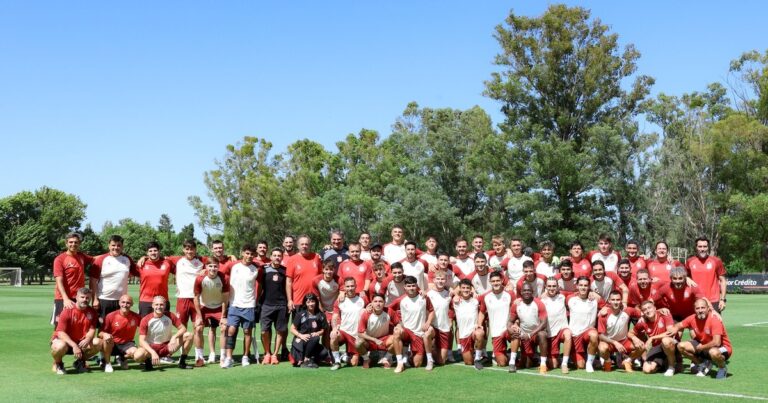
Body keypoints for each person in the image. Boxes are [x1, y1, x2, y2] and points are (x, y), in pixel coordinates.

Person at [672, 298, 732, 379]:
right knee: (680, 346)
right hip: (704, 346)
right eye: (697, 308)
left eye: (703, 308)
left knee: (713, 352)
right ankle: (702, 364)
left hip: (722, 348)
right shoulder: (692, 318)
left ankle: (722, 368)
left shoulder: (714, 320)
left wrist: (701, 347)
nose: (700, 310)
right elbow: (678, 325)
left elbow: (717, 342)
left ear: (708, 308)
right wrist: (673, 331)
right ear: (694, 310)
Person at [221, 244, 260, 368]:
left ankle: (245, 356)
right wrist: (204, 270)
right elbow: (217, 268)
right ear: (242, 253)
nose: (249, 256)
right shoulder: (233, 265)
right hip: (234, 304)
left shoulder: (256, 268)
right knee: (231, 330)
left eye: (252, 254)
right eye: (247, 253)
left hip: (249, 305)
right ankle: (229, 358)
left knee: (247, 331)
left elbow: (266, 264)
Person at [389, 275, 436, 373]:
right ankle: (400, 362)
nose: (411, 288)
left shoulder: (424, 297)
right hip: (406, 331)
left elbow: (432, 311)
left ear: (417, 286)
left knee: (417, 364)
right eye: (409, 286)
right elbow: (388, 309)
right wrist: (398, 323)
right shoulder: (400, 300)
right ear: (404, 287)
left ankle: (409, 355)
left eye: (413, 286)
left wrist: (428, 322)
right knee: (397, 332)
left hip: (419, 333)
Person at [50, 287, 102, 375]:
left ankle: (80, 362)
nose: (85, 300)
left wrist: (88, 338)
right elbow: (60, 333)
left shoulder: (92, 312)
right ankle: (59, 363)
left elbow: (92, 329)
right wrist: (74, 345)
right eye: (82, 297)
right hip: (65, 342)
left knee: (98, 342)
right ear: (76, 297)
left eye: (87, 298)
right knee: (59, 346)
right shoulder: (67, 311)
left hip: (80, 342)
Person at [134, 296, 193, 371]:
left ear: (165, 305)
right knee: (137, 356)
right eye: (157, 304)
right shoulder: (145, 320)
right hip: (151, 347)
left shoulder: (170, 315)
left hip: (167, 346)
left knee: (189, 335)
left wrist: (174, 337)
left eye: (161, 304)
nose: (159, 307)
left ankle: (182, 362)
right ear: (153, 305)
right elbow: (141, 341)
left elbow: (183, 328)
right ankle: (148, 361)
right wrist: (152, 352)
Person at [89, 235, 139, 324]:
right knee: (103, 327)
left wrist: (145, 258)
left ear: (122, 246)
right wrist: (95, 299)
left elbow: (138, 272)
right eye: (113, 245)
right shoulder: (101, 260)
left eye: (119, 245)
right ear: (109, 246)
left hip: (121, 301)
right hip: (104, 300)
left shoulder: (127, 259)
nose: (116, 247)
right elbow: (92, 281)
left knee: (119, 327)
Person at [52, 232, 94, 326]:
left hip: (79, 298)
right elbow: (59, 281)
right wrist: (65, 299)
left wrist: (110, 254)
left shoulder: (81, 256)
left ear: (79, 243)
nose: (73, 244)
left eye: (76, 242)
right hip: (63, 299)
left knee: (76, 325)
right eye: (71, 242)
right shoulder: (60, 259)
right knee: (60, 327)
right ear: (66, 243)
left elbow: (95, 259)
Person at [192, 260, 229, 366]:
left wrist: (223, 316)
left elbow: (225, 299)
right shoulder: (200, 278)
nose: (213, 268)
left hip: (218, 307)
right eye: (210, 266)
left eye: (215, 266)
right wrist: (199, 315)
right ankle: (199, 358)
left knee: (224, 327)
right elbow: (196, 298)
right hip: (204, 306)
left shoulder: (224, 278)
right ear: (206, 267)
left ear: (218, 267)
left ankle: (223, 357)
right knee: (198, 327)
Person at [596, 291, 643, 372]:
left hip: (624, 341)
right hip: (610, 342)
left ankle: (627, 361)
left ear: (621, 300)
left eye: (618, 299)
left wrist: (660, 311)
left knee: (642, 347)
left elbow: (644, 313)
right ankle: (608, 361)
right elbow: (600, 336)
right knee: (602, 348)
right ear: (609, 301)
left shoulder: (627, 310)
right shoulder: (604, 314)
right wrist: (614, 342)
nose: (615, 302)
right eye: (613, 300)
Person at [166, 240, 208, 330]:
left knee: (198, 328)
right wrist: (145, 257)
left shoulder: (202, 260)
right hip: (182, 298)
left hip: (197, 299)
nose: (189, 251)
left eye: (192, 249)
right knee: (182, 328)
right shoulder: (176, 260)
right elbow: (158, 258)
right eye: (187, 249)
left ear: (195, 250)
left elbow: (217, 261)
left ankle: (198, 345)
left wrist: (206, 270)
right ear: (183, 250)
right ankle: (182, 344)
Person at [627, 300, 677, 376]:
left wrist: (652, 338)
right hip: (657, 347)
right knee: (646, 370)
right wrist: (635, 339)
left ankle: (671, 367)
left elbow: (670, 333)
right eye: (644, 310)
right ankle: (664, 363)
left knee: (665, 341)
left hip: (671, 344)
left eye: (649, 308)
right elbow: (630, 333)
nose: (647, 311)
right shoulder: (642, 321)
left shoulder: (664, 314)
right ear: (643, 312)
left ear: (655, 308)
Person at [477, 271, 515, 368]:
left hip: (508, 329)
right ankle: (506, 354)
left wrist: (516, 323)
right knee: (501, 363)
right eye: (493, 281)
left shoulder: (510, 294)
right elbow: (481, 312)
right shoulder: (486, 297)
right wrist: (479, 324)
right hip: (496, 332)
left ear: (502, 280)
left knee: (517, 334)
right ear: (490, 282)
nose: (496, 283)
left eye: (498, 280)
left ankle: (513, 360)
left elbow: (516, 310)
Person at [508, 283, 549, 373]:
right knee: (526, 364)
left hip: (535, 334)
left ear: (532, 292)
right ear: (521, 292)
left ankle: (543, 364)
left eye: (529, 290)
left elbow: (544, 323)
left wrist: (530, 335)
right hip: (523, 334)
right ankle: (512, 362)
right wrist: (510, 329)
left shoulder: (539, 303)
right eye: (524, 290)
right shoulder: (516, 304)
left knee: (542, 334)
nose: (527, 292)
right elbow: (510, 321)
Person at [330, 278, 369, 370]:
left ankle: (346, 356)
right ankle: (337, 361)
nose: (350, 288)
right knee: (333, 336)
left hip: (357, 335)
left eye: (352, 286)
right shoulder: (340, 300)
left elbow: (369, 311)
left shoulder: (363, 298)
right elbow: (335, 316)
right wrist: (334, 328)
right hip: (344, 332)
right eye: (348, 286)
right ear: (344, 287)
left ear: (356, 286)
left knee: (354, 363)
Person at [259, 248, 289, 365]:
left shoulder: (285, 271)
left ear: (282, 257)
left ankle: (275, 354)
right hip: (266, 304)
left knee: (280, 331)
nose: (277, 257)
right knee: (264, 331)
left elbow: (288, 286)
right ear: (270, 257)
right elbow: (260, 286)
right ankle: (267, 353)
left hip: (282, 305)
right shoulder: (264, 270)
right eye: (274, 255)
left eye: (279, 255)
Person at [685, 237, 727, 313]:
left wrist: (723, 299)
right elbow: (684, 277)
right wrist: (686, 278)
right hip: (696, 300)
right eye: (700, 246)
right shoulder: (689, 261)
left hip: (713, 300)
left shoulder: (716, 261)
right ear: (696, 247)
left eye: (705, 246)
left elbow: (722, 280)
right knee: (694, 324)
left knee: (714, 324)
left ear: (708, 248)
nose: (702, 249)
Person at [101, 294, 141, 372]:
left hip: (127, 344)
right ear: (119, 303)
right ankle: (107, 363)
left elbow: (144, 327)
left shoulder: (136, 316)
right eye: (123, 302)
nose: (125, 305)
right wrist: (105, 334)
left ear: (132, 304)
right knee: (107, 339)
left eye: (128, 303)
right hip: (112, 343)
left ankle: (122, 357)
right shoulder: (111, 316)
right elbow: (100, 333)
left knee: (137, 354)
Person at [567, 276, 599, 372]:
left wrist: (605, 308)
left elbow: (609, 303)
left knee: (594, 335)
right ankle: (573, 357)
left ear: (589, 287)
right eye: (581, 285)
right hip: (575, 336)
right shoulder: (570, 299)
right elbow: (556, 293)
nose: (583, 287)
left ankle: (590, 363)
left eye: (585, 285)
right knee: (580, 366)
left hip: (587, 333)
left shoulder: (594, 300)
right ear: (577, 286)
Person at [540, 277, 572, 373]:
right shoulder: (541, 300)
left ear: (558, 287)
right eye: (549, 286)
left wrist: (591, 292)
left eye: (554, 286)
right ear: (545, 287)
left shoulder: (563, 296)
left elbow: (578, 293)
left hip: (562, 330)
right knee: (553, 364)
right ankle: (554, 359)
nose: (551, 288)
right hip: (550, 333)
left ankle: (565, 364)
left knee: (568, 334)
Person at [356, 293, 396, 368]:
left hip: (384, 339)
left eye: (380, 301)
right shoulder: (366, 314)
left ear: (384, 303)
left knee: (397, 338)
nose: (378, 304)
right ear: (371, 303)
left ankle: (386, 358)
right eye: (375, 301)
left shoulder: (389, 311)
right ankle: (366, 359)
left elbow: (398, 323)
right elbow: (360, 333)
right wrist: (374, 340)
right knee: (358, 342)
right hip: (370, 341)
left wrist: (398, 327)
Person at [453, 279, 485, 369]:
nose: (466, 290)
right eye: (463, 288)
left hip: (473, 331)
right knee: (468, 362)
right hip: (463, 335)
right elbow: (450, 292)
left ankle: (478, 358)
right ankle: (472, 352)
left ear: (471, 289)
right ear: (460, 289)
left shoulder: (476, 300)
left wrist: (479, 323)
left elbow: (482, 310)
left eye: (468, 288)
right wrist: (456, 294)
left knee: (480, 333)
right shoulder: (456, 301)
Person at [290, 293, 329, 368]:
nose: (311, 304)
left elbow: (323, 330)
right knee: (316, 338)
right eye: (308, 302)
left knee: (324, 353)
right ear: (305, 303)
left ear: (316, 302)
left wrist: (318, 332)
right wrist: (300, 335)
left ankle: (309, 360)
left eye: (312, 301)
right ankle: (306, 359)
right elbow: (292, 329)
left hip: (312, 342)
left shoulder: (321, 315)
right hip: (301, 341)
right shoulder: (300, 314)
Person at [136, 241, 174, 317]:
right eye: (150, 251)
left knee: (163, 327)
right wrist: (143, 258)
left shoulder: (167, 263)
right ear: (147, 253)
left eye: (155, 250)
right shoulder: (141, 264)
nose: (153, 253)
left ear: (159, 251)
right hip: (145, 301)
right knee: (145, 326)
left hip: (163, 301)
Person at [286, 235, 322, 313]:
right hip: (299, 301)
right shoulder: (292, 260)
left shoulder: (316, 257)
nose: (304, 246)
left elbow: (321, 278)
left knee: (315, 324)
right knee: (298, 325)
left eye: (306, 244)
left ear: (310, 245)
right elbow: (289, 282)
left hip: (314, 300)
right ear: (298, 246)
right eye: (302, 244)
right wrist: (289, 300)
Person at [426, 270, 453, 365]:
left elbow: (452, 309)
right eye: (438, 279)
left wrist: (450, 320)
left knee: (442, 361)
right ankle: (428, 357)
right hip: (433, 326)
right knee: (428, 333)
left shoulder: (449, 294)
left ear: (445, 281)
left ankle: (434, 351)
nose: (440, 281)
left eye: (442, 279)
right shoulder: (428, 294)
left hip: (444, 328)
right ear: (434, 280)